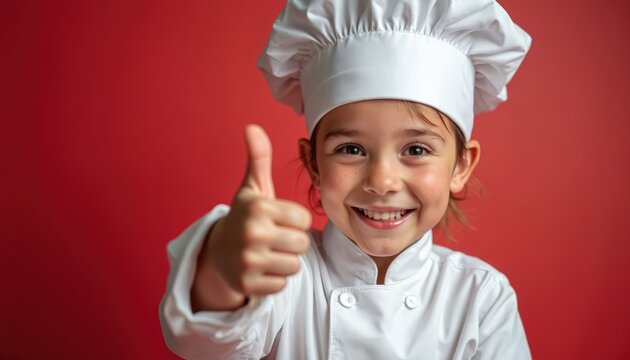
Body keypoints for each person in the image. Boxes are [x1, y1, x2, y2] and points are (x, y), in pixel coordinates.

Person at [159, 0, 532, 358]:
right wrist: (222, 267)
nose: (382, 181)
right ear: (314, 163)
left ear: (461, 166)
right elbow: (208, 344)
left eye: (416, 150)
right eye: (351, 149)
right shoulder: (286, 272)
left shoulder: (481, 298)